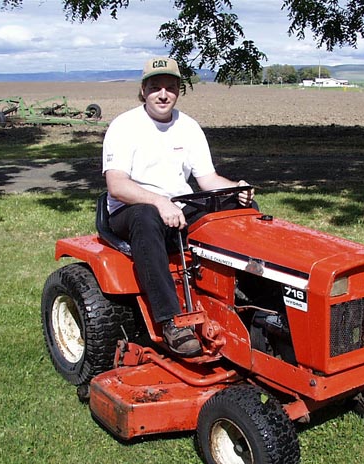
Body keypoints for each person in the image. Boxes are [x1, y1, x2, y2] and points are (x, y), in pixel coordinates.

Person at [102, 56, 254, 357]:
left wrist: (236, 189)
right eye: (155, 87)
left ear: (178, 91)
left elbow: (207, 179)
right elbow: (117, 185)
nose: (163, 94)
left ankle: (245, 293)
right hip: (130, 209)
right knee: (147, 217)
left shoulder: (189, 127)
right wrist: (159, 201)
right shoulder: (125, 126)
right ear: (144, 90)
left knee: (238, 207)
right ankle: (171, 321)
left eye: (170, 88)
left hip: (179, 205)